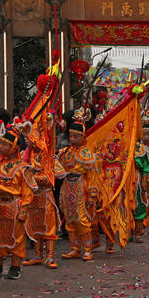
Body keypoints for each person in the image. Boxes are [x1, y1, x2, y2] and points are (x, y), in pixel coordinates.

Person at [0, 121, 37, 280]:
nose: (1, 147)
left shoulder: (23, 167)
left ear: (15, 148)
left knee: (17, 238)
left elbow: (27, 191)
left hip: (15, 205)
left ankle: (16, 266)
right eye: (1, 143)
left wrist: (24, 209)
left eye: (5, 144)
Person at [57, 108, 100, 261]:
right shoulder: (65, 152)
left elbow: (92, 177)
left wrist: (92, 195)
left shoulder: (87, 154)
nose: (73, 139)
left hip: (81, 187)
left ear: (83, 137)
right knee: (69, 218)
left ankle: (87, 249)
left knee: (82, 219)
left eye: (76, 136)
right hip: (67, 186)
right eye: (71, 136)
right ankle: (75, 248)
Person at [23, 120, 62, 269]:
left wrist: (32, 178)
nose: (26, 140)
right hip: (32, 198)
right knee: (34, 226)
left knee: (49, 227)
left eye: (28, 137)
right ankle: (38, 256)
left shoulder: (47, 156)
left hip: (45, 196)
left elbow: (52, 177)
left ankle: (50, 257)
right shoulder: (25, 155)